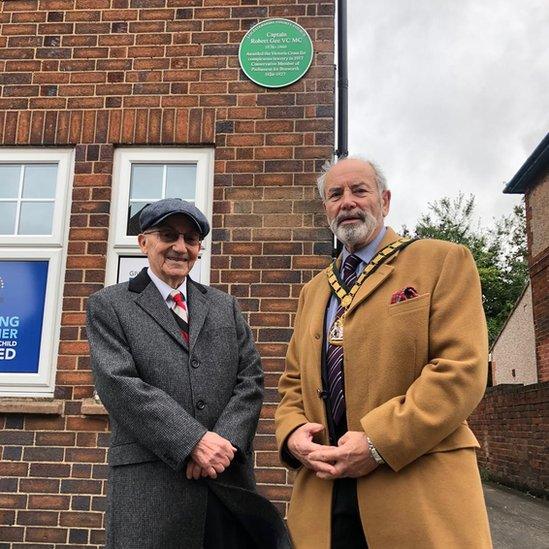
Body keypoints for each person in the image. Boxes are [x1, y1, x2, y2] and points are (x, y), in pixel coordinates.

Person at [275, 157, 492, 548]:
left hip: (414, 486)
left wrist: (376, 443)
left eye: (359, 190)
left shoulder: (441, 261)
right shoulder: (314, 291)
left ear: (385, 200)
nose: (347, 202)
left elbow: (461, 370)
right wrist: (292, 435)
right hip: (325, 494)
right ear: (326, 208)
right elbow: (293, 382)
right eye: (335, 194)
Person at [87, 198, 289, 549]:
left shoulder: (224, 306)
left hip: (226, 486)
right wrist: (192, 441)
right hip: (151, 491)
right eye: (168, 235)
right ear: (143, 242)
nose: (180, 247)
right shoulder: (109, 305)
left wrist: (222, 444)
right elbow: (118, 384)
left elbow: (251, 378)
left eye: (191, 239)